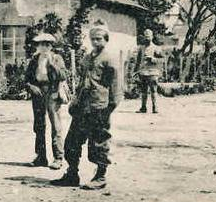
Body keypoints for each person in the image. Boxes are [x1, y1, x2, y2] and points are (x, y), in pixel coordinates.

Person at [52, 20, 121, 190]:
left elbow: (116, 86)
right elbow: (82, 82)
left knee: (98, 143)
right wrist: (75, 101)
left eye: (99, 39)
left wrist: (110, 107)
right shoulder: (87, 57)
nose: (96, 42)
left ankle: (100, 176)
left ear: (106, 39)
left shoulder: (110, 58)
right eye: (93, 39)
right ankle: (72, 174)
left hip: (99, 107)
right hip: (83, 107)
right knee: (72, 142)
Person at [24, 32, 67, 169]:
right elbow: (26, 79)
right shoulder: (34, 60)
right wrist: (32, 87)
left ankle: (58, 158)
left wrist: (50, 63)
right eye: (41, 44)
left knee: (56, 125)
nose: (44, 47)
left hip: (52, 91)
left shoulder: (56, 58)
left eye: (47, 44)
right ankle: (41, 157)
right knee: (39, 125)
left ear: (51, 46)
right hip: (38, 92)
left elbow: (63, 75)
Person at [134, 28, 164, 114]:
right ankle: (143, 107)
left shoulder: (156, 48)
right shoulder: (141, 48)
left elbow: (162, 60)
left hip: (153, 72)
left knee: (153, 90)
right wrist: (135, 71)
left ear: (152, 37)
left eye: (149, 36)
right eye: (146, 36)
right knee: (143, 91)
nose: (147, 38)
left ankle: (155, 107)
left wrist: (153, 59)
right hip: (143, 72)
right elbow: (138, 61)